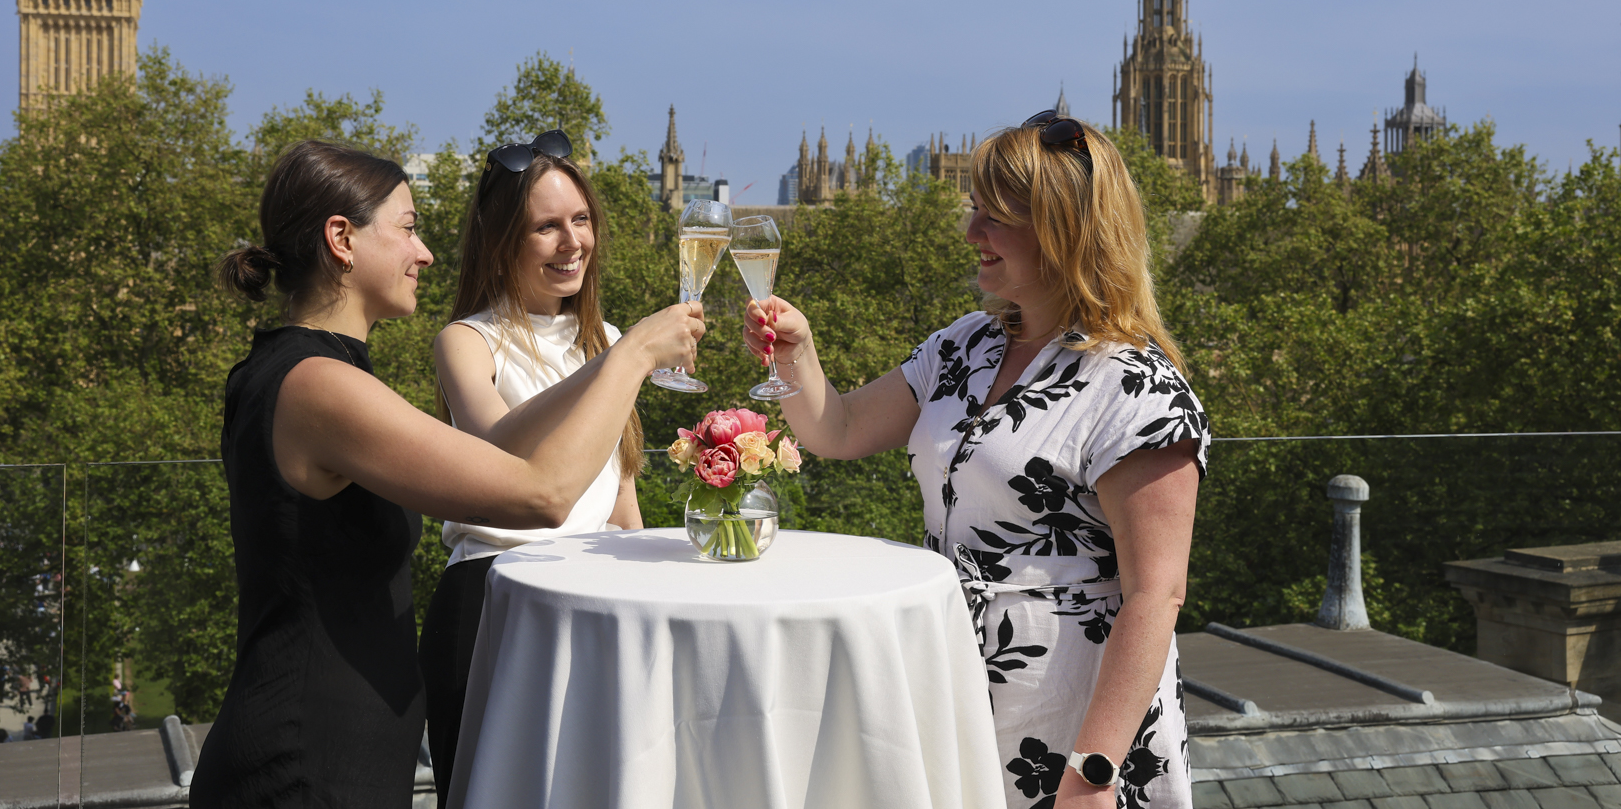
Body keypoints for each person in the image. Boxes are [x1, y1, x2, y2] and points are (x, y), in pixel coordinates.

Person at [192, 139, 703, 809]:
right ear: (341, 239)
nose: (426, 251)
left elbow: (502, 453)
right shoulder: (316, 384)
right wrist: (630, 354)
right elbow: (542, 492)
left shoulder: (320, 375)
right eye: (407, 227)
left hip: (340, 758)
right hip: (301, 764)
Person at [743, 116, 1209, 809]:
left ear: (1061, 231)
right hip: (951, 697)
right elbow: (838, 428)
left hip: (1068, 726)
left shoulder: (1136, 385)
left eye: (995, 216)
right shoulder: (968, 344)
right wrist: (795, 352)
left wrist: (1091, 773)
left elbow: (1155, 595)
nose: (971, 232)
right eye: (975, 209)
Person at [419, 128, 644, 805]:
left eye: (580, 220)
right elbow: (494, 449)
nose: (571, 241)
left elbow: (621, 497)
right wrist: (621, 362)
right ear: (502, 241)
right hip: (497, 598)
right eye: (546, 226)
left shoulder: (605, 338)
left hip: (600, 600)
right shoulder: (466, 340)